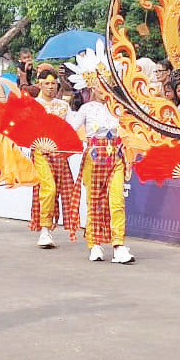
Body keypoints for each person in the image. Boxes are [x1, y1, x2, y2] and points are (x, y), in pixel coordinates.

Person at [66, 52, 135, 265]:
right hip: (94, 159)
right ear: (92, 87)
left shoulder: (120, 109)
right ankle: (95, 243)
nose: (103, 89)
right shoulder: (86, 109)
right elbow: (70, 130)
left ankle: (118, 245)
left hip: (115, 157)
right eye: (99, 85)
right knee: (95, 201)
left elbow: (130, 133)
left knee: (117, 201)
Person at [29, 66, 79, 249]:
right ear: (40, 84)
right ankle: (44, 229)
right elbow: (28, 131)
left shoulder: (63, 106)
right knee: (48, 189)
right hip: (40, 153)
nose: (50, 87)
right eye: (47, 83)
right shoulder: (33, 105)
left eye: (53, 84)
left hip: (59, 153)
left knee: (62, 191)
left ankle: (53, 228)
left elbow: (71, 129)